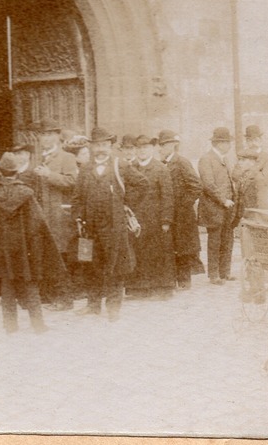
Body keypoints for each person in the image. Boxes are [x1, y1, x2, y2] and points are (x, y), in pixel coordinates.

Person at [72, 127, 145, 320]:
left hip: (114, 227)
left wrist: (125, 204)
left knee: (115, 267)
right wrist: (78, 217)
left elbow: (142, 184)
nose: (101, 149)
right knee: (90, 265)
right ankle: (93, 305)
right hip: (89, 227)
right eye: (97, 145)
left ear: (110, 146)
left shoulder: (119, 165)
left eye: (105, 145)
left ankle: (113, 308)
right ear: (92, 147)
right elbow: (77, 196)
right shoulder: (85, 168)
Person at [0, 153, 55, 334]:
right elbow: (37, 222)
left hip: (3, 249)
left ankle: (10, 327)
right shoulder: (26, 193)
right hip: (24, 249)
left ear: (0, 171)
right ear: (16, 172)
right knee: (30, 285)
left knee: (7, 286)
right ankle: (38, 325)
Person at [30, 120, 79, 311]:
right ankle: (50, 296)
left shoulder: (66, 157)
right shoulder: (39, 159)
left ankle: (65, 299)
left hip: (60, 217)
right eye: (43, 135)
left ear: (58, 136)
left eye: (51, 134)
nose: (47, 138)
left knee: (61, 257)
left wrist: (49, 174)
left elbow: (73, 181)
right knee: (48, 257)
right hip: (43, 218)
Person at [125, 134, 175, 300]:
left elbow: (168, 195)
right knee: (138, 253)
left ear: (152, 149)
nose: (142, 151)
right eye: (138, 148)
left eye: (145, 147)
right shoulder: (130, 167)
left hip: (155, 219)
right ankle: (139, 288)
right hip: (136, 220)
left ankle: (162, 288)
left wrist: (166, 220)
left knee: (157, 253)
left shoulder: (160, 168)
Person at [158, 130, 204, 289]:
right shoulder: (162, 164)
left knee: (183, 247)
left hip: (182, 215)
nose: (163, 148)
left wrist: (183, 205)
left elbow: (196, 186)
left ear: (173, 145)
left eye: (166, 144)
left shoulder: (181, 162)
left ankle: (184, 281)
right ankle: (173, 280)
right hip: (170, 213)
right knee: (172, 247)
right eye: (162, 145)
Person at [198, 127, 239, 284]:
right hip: (214, 208)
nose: (229, 145)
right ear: (219, 143)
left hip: (228, 208)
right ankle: (214, 275)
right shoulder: (206, 159)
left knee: (227, 240)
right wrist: (223, 200)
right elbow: (208, 184)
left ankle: (225, 273)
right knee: (214, 242)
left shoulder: (226, 159)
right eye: (227, 142)